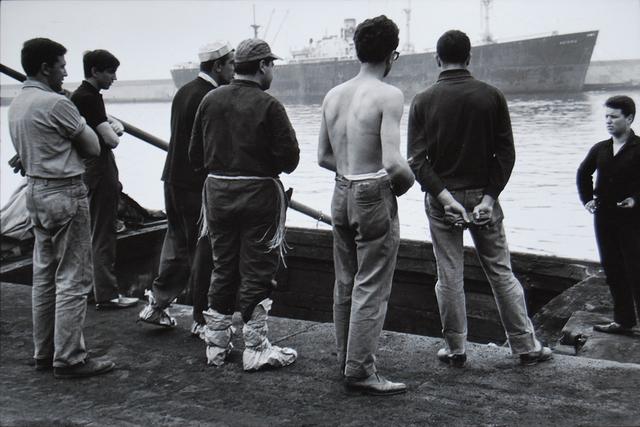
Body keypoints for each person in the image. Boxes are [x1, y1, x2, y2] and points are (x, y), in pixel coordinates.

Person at [407, 29, 552, 368]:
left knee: (449, 274)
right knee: (501, 271)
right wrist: (488, 199)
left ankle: (456, 348)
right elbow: (506, 154)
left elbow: (416, 160)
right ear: (469, 57)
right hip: (483, 198)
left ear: (437, 59)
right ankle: (525, 346)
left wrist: (445, 198)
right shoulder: (492, 96)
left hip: (443, 200)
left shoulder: (422, 101)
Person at [318, 15, 415, 396]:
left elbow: (323, 156)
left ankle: (347, 360)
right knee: (372, 285)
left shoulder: (333, 95)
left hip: (341, 190)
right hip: (372, 192)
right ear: (392, 55)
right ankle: (360, 371)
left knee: (346, 281)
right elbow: (393, 163)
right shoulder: (388, 96)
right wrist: (404, 186)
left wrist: (352, 174)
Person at [189, 38, 299, 371]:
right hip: (259, 196)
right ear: (263, 66)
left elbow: (195, 156)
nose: (272, 71)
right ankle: (255, 347)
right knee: (257, 270)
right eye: (272, 65)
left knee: (222, 266)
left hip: (217, 195)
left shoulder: (210, 100)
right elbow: (290, 160)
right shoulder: (269, 105)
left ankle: (216, 345)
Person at [8, 38, 114, 378]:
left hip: (35, 192)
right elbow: (94, 146)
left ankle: (44, 353)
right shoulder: (56, 104)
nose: (66, 72)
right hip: (65, 192)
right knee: (73, 277)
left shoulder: (17, 104)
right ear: (46, 68)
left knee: (44, 277)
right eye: (62, 66)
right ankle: (69, 357)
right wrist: (75, 120)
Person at [138, 41, 235, 333]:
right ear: (218, 65)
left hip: (172, 179)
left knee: (176, 242)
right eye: (231, 64)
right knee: (204, 250)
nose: (234, 70)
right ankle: (201, 319)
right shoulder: (212, 97)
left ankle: (157, 304)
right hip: (195, 184)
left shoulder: (183, 91)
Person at [71, 49, 138, 310]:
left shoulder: (80, 96)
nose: (114, 77)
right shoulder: (89, 97)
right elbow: (111, 140)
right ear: (95, 71)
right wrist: (116, 129)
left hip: (88, 169)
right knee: (103, 232)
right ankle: (107, 295)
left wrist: (109, 123)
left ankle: (92, 290)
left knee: (91, 231)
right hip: (99, 168)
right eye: (110, 72)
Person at [577, 95, 640, 334]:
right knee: (613, 269)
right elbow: (583, 173)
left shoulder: (639, 148)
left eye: (614, 117)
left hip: (632, 219)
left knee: (636, 269)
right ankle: (623, 321)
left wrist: (635, 199)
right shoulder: (600, 148)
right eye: (606, 117)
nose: (608, 121)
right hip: (604, 217)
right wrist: (587, 199)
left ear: (629, 118)